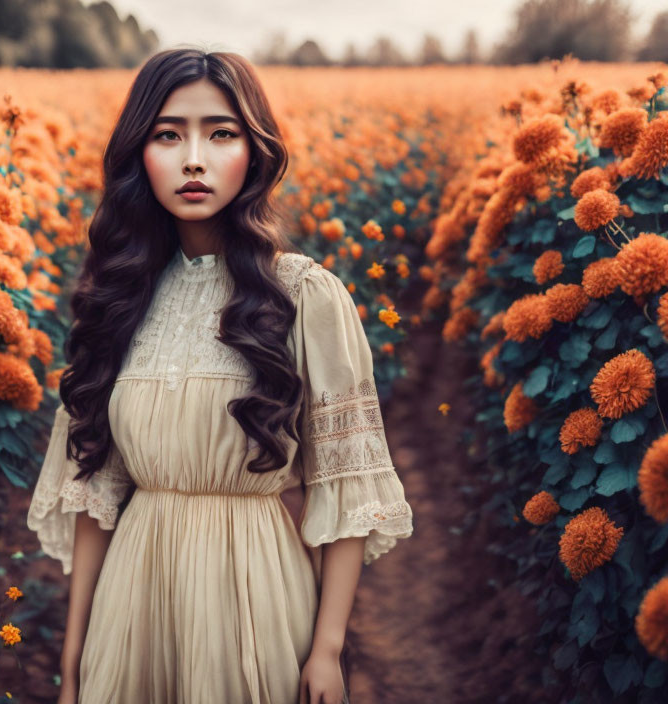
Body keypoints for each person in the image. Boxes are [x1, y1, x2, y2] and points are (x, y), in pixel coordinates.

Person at [26, 46, 414, 704]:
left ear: (254, 153)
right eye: (168, 135)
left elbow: (345, 486)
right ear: (138, 155)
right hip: (134, 600)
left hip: (255, 593)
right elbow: (95, 493)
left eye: (222, 133)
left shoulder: (307, 296)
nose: (194, 159)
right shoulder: (119, 299)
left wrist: (326, 650)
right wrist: (72, 666)